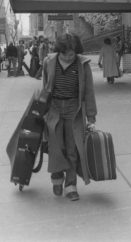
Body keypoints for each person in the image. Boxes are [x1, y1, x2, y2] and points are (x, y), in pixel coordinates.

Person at [42, 33, 97, 201]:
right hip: (55, 109)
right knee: (56, 147)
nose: (69, 57)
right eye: (66, 53)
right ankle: (57, 179)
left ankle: (71, 185)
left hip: (74, 109)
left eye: (72, 53)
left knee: (73, 150)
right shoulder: (49, 62)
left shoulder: (82, 64)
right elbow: (45, 88)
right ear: (60, 51)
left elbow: (89, 91)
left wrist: (91, 116)